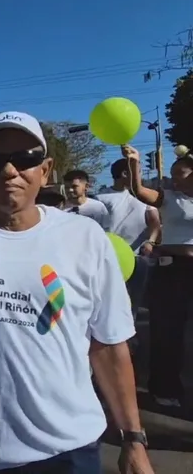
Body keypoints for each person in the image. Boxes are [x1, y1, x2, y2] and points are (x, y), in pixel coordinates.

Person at [0, 111, 152, 474]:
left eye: (25, 159)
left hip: (68, 450)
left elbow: (109, 346)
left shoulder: (85, 238)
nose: (9, 171)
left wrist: (134, 439)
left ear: (46, 169)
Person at [124, 144, 193, 409]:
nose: (175, 177)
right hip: (171, 269)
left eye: (182, 172)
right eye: (173, 172)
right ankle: (164, 387)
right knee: (168, 332)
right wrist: (134, 163)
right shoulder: (167, 197)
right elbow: (138, 191)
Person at [97, 159, 161, 255]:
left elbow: (155, 223)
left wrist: (150, 242)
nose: (140, 176)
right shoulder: (100, 198)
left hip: (139, 256)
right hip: (110, 254)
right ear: (125, 174)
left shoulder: (144, 196)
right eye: (138, 172)